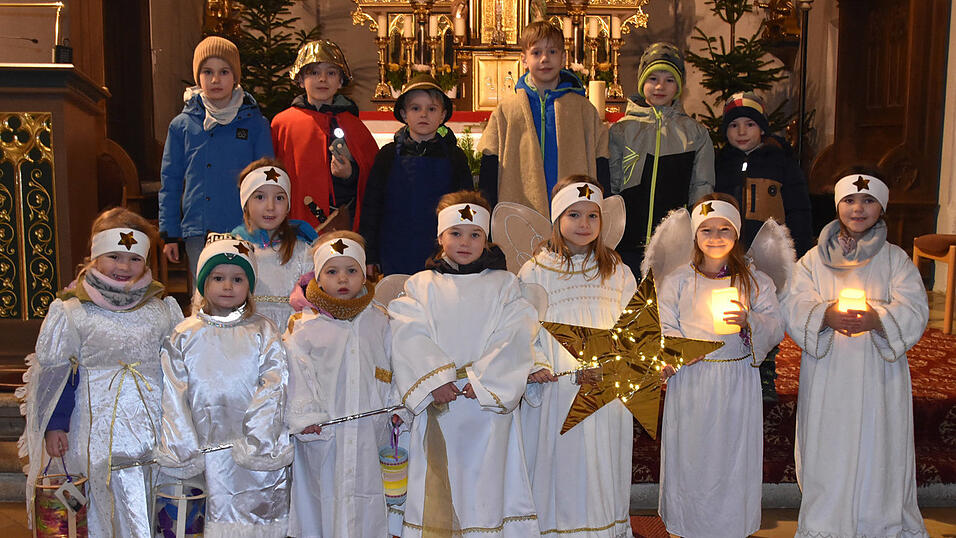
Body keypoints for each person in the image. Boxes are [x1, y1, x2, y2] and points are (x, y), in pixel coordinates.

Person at [782, 170, 929, 537]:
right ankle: (826, 523)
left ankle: (877, 521)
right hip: (829, 373)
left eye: (868, 201)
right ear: (837, 206)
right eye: (849, 200)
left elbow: (915, 309)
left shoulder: (895, 260)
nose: (858, 208)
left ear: (882, 207)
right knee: (828, 445)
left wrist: (878, 320)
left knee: (879, 446)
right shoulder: (813, 261)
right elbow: (794, 302)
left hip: (879, 375)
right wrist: (824, 316)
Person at [20, 208, 183, 536]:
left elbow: (177, 370)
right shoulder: (72, 310)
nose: (123, 267)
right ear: (95, 256)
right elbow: (57, 374)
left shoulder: (161, 310)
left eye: (134, 259)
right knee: (98, 502)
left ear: (145, 262)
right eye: (114, 257)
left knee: (149, 493)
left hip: (152, 428)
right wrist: (55, 425)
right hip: (93, 434)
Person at [388, 191, 539, 537]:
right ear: (440, 237)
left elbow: (515, 333)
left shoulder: (505, 285)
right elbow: (408, 334)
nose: (465, 242)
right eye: (456, 233)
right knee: (441, 485)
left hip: (486, 409)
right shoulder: (420, 285)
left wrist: (484, 380)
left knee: (487, 489)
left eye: (475, 234)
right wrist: (435, 380)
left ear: (486, 240)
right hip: (441, 406)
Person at [657, 194, 784, 538]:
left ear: (737, 232)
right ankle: (689, 524)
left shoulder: (755, 281)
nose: (715, 237)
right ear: (695, 235)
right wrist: (680, 349)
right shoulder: (678, 281)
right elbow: (665, 325)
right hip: (693, 381)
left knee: (732, 456)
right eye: (707, 230)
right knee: (692, 456)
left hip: (736, 381)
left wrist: (750, 321)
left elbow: (776, 325)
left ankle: (730, 526)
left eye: (724, 229)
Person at [518, 176, 637, 537]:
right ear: (557, 218)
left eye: (592, 216)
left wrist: (614, 364)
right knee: (560, 467)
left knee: (602, 465)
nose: (584, 224)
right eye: (574, 215)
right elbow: (521, 328)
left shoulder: (618, 272)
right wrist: (537, 364)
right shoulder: (536, 271)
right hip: (557, 393)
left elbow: (634, 327)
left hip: (604, 394)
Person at [157, 233, 293, 537]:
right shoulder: (184, 334)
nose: (228, 286)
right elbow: (174, 392)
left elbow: (274, 384)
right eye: (218, 278)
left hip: (251, 450)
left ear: (249, 286)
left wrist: (258, 438)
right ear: (203, 282)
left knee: (251, 522)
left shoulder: (263, 330)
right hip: (203, 445)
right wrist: (182, 445)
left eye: (237, 279)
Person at [284, 231, 404, 537]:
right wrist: (305, 416)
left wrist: (395, 406)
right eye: (332, 271)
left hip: (368, 435)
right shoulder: (304, 325)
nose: (342, 279)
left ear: (364, 274)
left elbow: (395, 366)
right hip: (324, 436)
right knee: (322, 499)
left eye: (351, 270)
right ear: (318, 276)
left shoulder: (380, 321)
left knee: (368, 502)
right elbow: (294, 372)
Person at [714, 91, 814, 402]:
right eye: (734, 126)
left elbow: (798, 208)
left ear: (762, 128)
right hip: (730, 251)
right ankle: (731, 367)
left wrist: (799, 248)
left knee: (767, 310)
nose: (741, 132)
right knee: (732, 310)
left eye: (749, 124)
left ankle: (766, 371)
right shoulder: (720, 163)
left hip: (769, 253)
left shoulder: (782, 163)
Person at [160, 35, 274, 278]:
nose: (215, 79)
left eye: (224, 72)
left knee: (246, 289)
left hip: (246, 229)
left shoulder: (256, 124)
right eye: (207, 72)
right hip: (199, 230)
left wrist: (269, 225)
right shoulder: (182, 126)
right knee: (203, 292)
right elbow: (170, 181)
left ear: (235, 77)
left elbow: (267, 180)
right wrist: (169, 233)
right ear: (197, 77)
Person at [477, 20, 610, 217]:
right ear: (524, 59)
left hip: (575, 215)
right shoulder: (507, 110)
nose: (545, 59)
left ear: (563, 58)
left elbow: (601, 161)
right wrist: (488, 216)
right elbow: (489, 167)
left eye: (552, 52)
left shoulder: (583, 109)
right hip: (520, 213)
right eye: (536, 52)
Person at [608, 42, 714, 272]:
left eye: (669, 80)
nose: (660, 86)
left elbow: (702, 186)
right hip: (627, 242)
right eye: (653, 78)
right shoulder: (622, 130)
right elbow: (613, 185)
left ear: (679, 86)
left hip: (674, 244)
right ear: (641, 81)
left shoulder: (694, 133)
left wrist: (699, 228)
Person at [360, 73, 474, 276]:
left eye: (431, 109)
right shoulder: (387, 155)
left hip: (442, 251)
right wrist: (370, 254)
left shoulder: (455, 157)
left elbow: (466, 205)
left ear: (442, 115)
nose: (424, 114)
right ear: (404, 114)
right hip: (394, 248)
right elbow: (372, 207)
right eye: (416, 108)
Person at [272, 39, 380, 230]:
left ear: (341, 80)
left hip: (343, 222)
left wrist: (350, 174)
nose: (322, 79)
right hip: (297, 223)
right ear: (300, 79)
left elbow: (372, 178)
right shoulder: (283, 125)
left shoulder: (355, 126)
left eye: (331, 73)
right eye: (314, 73)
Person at [231, 158, 317, 330]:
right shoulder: (232, 248)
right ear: (246, 203)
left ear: (288, 205)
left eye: (279, 198)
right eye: (260, 197)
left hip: (292, 334)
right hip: (245, 333)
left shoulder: (302, 251)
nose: (270, 206)